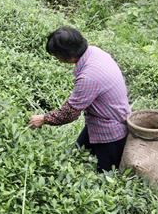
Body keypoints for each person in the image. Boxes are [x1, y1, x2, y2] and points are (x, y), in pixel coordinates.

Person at [28, 27, 130, 172]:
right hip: (96, 122)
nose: (57, 60)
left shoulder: (89, 76)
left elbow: (69, 113)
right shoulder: (95, 52)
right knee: (75, 156)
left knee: (105, 175)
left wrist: (43, 119)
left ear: (68, 56)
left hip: (111, 132)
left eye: (57, 56)